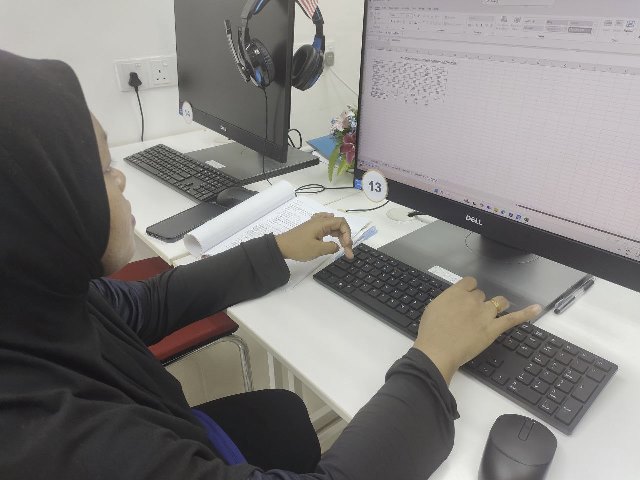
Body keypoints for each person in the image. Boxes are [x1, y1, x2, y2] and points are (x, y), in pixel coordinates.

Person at [0, 49, 541, 480]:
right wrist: (434, 359)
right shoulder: (57, 445)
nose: (120, 178)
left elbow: (143, 303)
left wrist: (276, 248)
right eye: (101, 168)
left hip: (170, 421)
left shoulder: (28, 302)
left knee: (284, 414)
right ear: (35, 205)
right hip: (165, 439)